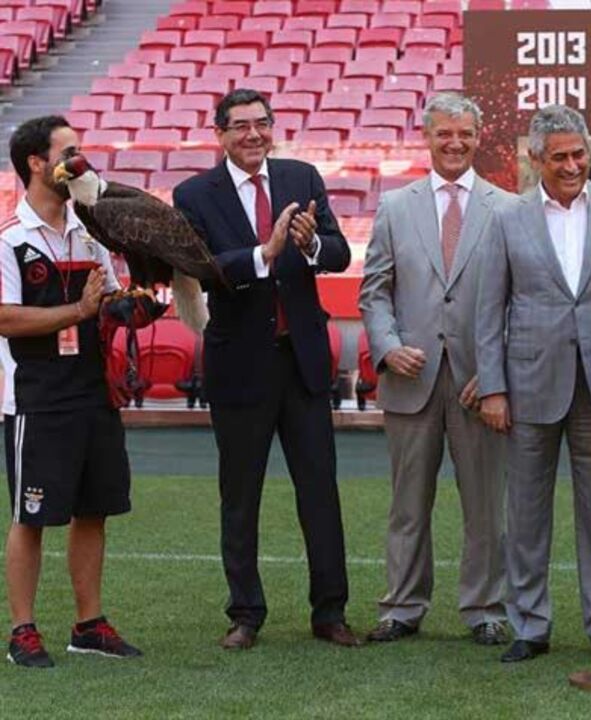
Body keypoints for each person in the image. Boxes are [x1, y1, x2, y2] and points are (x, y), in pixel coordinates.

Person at [173, 89, 358, 650]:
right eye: (240, 126)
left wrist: (306, 247)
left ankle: (330, 613)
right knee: (240, 494)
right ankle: (246, 614)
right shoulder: (193, 193)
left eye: (262, 124)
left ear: (272, 128)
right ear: (220, 134)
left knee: (319, 491)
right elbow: (202, 269)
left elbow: (340, 253)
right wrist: (266, 251)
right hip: (239, 365)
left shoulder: (302, 177)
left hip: (301, 361)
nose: (253, 134)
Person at [475, 105, 591, 664]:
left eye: (580, 154)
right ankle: (530, 626)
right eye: (560, 156)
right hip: (529, 384)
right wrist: (492, 388)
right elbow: (489, 309)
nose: (573, 165)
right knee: (526, 514)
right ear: (536, 159)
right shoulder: (507, 217)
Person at [359, 93, 510, 645]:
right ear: (427, 136)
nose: (454, 143)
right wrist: (388, 345)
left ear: (478, 137)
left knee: (486, 506)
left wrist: (496, 372)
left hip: (480, 385)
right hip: (409, 380)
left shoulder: (507, 207)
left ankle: (485, 609)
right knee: (406, 505)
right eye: (444, 133)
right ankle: (401, 607)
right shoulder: (396, 207)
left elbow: (519, 299)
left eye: (464, 134)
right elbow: (374, 292)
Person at [1, 115, 141, 668]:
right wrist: (78, 311)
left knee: (94, 510)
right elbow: (6, 318)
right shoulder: (11, 240)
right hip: (36, 396)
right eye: (69, 152)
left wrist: (131, 307)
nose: (80, 161)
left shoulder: (91, 229)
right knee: (31, 516)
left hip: (92, 389)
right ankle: (22, 631)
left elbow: (105, 298)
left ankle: (88, 625)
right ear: (37, 163)